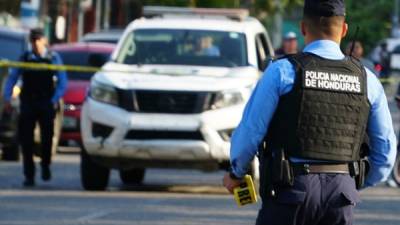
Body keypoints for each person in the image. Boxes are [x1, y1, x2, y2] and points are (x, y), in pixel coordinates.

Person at [223, 1, 396, 225]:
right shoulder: (368, 80)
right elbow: (385, 153)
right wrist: (353, 184)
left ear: (303, 28)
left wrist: (236, 174)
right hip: (341, 195)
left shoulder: (281, 72)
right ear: (344, 30)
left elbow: (250, 131)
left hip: (289, 191)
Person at [3, 28, 67, 187]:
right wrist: (7, 97)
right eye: (33, 40)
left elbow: (62, 81)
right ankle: (29, 174)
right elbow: (12, 77)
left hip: (46, 103)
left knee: (47, 139)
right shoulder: (25, 58)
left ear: (44, 40)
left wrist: (54, 99)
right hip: (28, 103)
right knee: (26, 141)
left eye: (39, 40)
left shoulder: (53, 58)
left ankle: (45, 165)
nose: (36, 43)